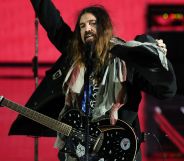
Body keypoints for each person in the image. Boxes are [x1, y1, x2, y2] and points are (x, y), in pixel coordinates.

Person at [9, 0, 177, 161]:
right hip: (78, 151)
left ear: (104, 27)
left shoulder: (126, 60)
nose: (86, 28)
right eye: (82, 26)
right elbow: (53, 23)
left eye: (92, 23)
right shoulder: (74, 56)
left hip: (117, 152)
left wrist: (157, 61)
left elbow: (165, 91)